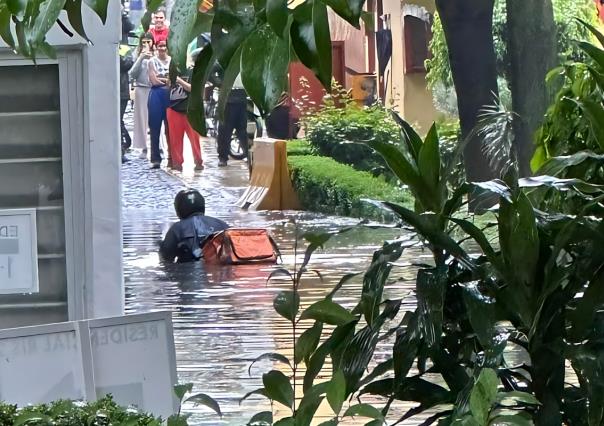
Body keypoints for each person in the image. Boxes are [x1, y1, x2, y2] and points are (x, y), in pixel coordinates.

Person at [160, 189, 229, 263]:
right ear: (202, 206)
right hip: (219, 270)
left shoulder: (177, 229)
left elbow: (165, 259)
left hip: (187, 272)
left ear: (178, 210)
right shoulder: (223, 225)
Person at [166, 50, 204, 172]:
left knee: (194, 138)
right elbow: (169, 86)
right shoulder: (172, 71)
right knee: (175, 139)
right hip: (174, 108)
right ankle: (177, 163)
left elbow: (194, 89)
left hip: (190, 110)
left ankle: (198, 161)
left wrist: (179, 81)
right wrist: (170, 80)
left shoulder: (194, 71)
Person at [129, 33, 154, 159]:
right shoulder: (137, 53)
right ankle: (143, 147)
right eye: (143, 42)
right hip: (141, 88)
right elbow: (132, 73)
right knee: (141, 119)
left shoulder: (156, 53)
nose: (146, 44)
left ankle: (158, 146)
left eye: (148, 42)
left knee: (156, 117)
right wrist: (141, 58)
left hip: (154, 89)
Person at [147, 39, 171, 169]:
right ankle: (156, 158)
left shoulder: (172, 61)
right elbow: (154, 80)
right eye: (160, 46)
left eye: (164, 45)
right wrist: (165, 80)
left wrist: (162, 79)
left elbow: (173, 80)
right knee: (155, 127)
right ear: (156, 47)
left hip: (170, 95)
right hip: (156, 94)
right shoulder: (152, 62)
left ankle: (172, 157)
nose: (162, 48)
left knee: (170, 128)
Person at [216, 73, 248, 167]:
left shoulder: (243, 60)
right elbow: (213, 70)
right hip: (228, 97)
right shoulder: (225, 60)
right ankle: (223, 157)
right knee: (225, 130)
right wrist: (220, 83)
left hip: (242, 96)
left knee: (242, 130)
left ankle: (247, 155)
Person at [119, 10, 134, 163]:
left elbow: (128, 64)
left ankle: (121, 150)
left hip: (122, 90)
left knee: (118, 120)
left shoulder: (124, 44)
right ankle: (120, 149)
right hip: (115, 89)